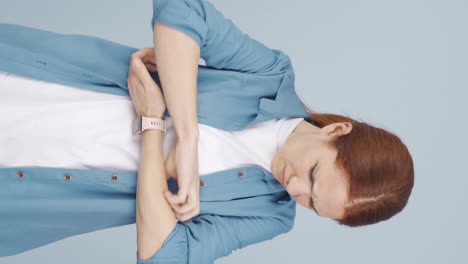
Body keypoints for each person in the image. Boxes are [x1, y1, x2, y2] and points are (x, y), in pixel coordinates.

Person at [0, 0, 414, 263]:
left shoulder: (267, 214)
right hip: (30, 86)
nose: (295, 191)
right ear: (337, 131)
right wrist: (187, 139)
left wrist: (153, 126)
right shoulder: (267, 77)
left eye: (310, 204)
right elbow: (182, 10)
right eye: (314, 175)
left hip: (28, 193)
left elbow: (163, 257)